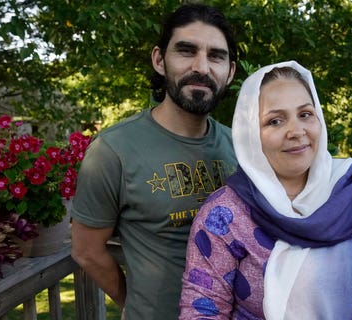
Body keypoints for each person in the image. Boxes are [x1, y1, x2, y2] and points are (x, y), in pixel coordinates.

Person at [179, 61, 352, 320]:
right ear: (251, 134)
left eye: (305, 114)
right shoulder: (225, 215)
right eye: (275, 121)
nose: (296, 131)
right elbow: (202, 311)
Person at [70, 4, 238, 319]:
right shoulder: (113, 150)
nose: (201, 67)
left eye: (216, 56)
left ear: (229, 72)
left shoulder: (240, 147)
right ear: (160, 60)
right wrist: (131, 304)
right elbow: (86, 251)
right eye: (186, 51)